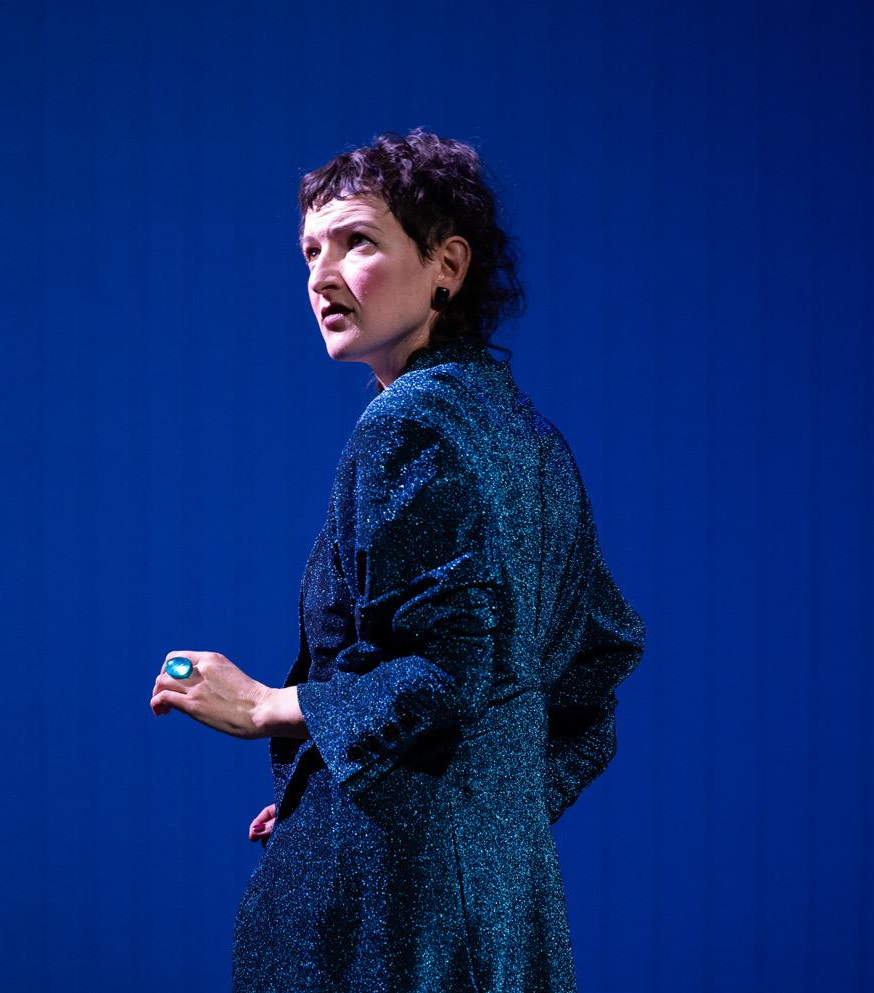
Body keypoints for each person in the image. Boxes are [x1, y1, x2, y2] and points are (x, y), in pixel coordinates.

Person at [149, 128, 646, 993]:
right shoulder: (529, 437)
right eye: (311, 251)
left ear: (446, 265)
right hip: (503, 915)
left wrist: (268, 705)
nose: (322, 274)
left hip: (401, 931)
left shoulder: (408, 425)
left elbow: (446, 671)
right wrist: (377, 802)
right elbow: (595, 671)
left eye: (358, 242)